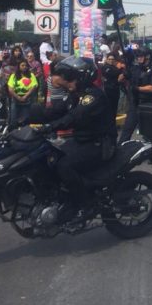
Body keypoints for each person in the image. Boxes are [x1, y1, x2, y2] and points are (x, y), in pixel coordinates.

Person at [39, 57, 116, 222]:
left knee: (64, 165)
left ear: (82, 78)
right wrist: (28, 116)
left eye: (71, 78)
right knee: (49, 157)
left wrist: (49, 127)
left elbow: (73, 117)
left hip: (100, 144)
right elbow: (57, 110)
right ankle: (60, 198)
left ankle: (85, 204)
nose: (67, 82)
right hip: (82, 141)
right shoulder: (76, 95)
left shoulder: (93, 96)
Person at [118, 49, 152, 144]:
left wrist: (137, 89)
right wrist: (124, 74)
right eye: (137, 56)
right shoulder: (135, 68)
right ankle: (120, 148)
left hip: (147, 104)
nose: (138, 58)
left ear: (147, 57)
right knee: (127, 128)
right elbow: (120, 79)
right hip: (135, 102)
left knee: (149, 131)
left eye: (141, 56)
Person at [7, 59, 39, 125]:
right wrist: (18, 97)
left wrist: (26, 96)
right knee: (13, 119)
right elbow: (10, 88)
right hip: (15, 99)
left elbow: (34, 86)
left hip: (27, 99)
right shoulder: (13, 76)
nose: (24, 67)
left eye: (26, 65)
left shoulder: (31, 75)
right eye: (22, 65)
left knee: (25, 119)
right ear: (18, 66)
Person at [100, 53, 124, 127]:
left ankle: (112, 124)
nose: (111, 60)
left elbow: (121, 75)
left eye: (112, 59)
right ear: (107, 60)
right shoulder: (105, 67)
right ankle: (108, 125)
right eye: (109, 59)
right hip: (108, 90)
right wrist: (120, 69)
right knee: (109, 109)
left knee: (114, 109)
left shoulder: (114, 67)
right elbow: (114, 73)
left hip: (115, 89)